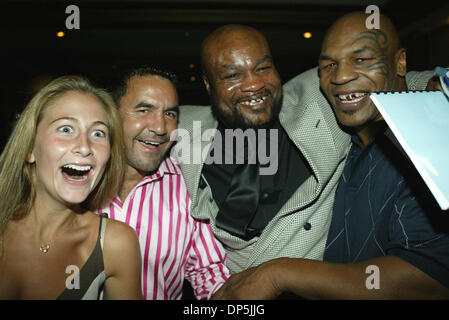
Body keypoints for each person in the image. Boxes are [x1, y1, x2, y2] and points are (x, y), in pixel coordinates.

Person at [211, 13, 449, 299]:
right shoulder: (344, 135)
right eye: (329, 65)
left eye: (361, 59)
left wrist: (277, 274)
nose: (341, 76)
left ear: (399, 61)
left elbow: (430, 279)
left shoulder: (427, 143)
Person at [0, 75, 142, 299]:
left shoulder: (115, 245)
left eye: (98, 133)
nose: (85, 147)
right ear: (30, 148)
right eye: (66, 129)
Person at [98, 66, 230, 300]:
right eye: (144, 110)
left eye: (170, 114)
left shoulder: (188, 189)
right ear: (110, 113)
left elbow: (208, 273)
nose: (160, 128)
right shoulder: (77, 183)